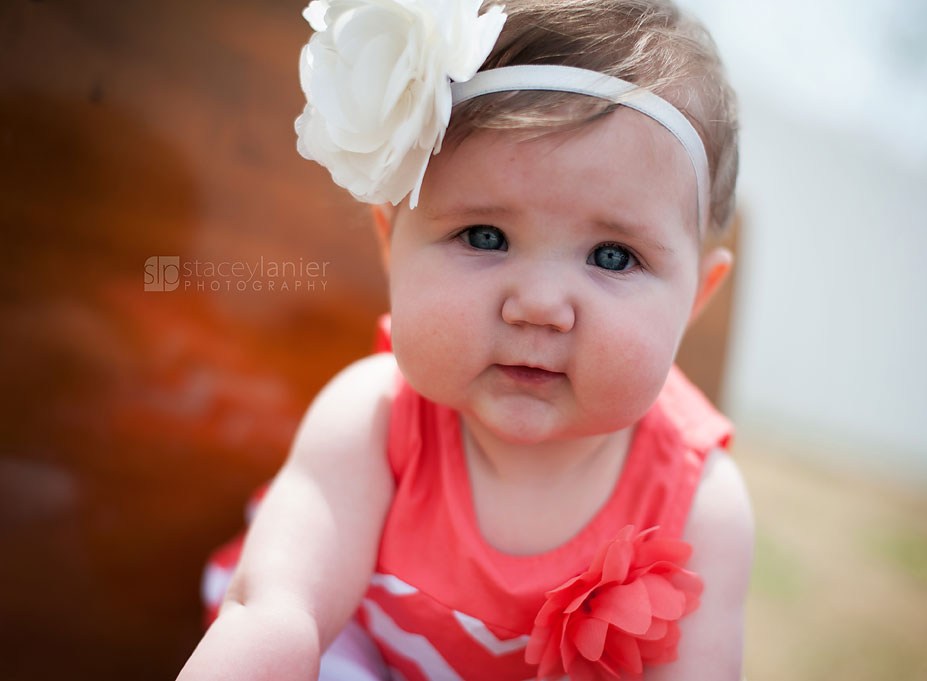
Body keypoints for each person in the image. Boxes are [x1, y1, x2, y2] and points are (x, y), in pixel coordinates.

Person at [177, 0, 754, 679]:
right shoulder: (376, 422)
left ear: (696, 298)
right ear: (392, 241)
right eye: (486, 236)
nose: (539, 306)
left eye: (612, 256)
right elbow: (276, 612)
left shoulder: (698, 506)